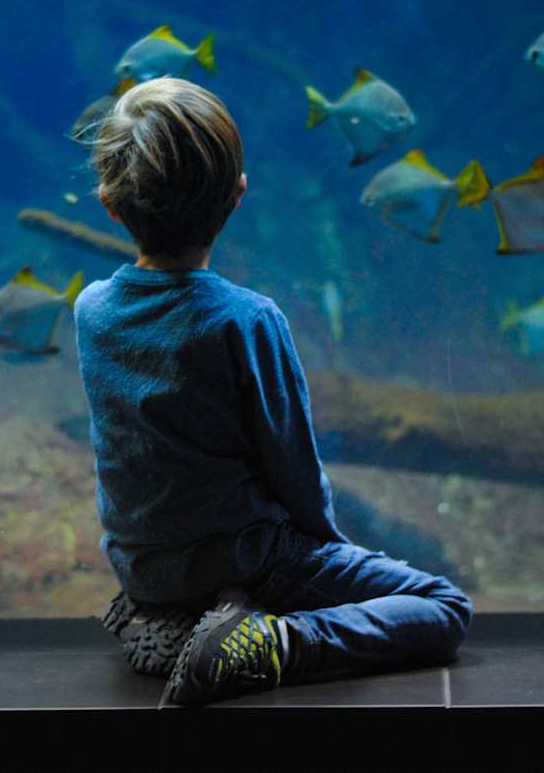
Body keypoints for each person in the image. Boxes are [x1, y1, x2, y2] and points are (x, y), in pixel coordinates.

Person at [74, 78, 472, 705]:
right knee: (442, 605)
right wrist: (327, 548)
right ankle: (275, 641)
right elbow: (293, 464)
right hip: (248, 560)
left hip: (142, 567)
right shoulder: (246, 319)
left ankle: (171, 617)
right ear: (237, 196)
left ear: (110, 205)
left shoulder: (91, 310)